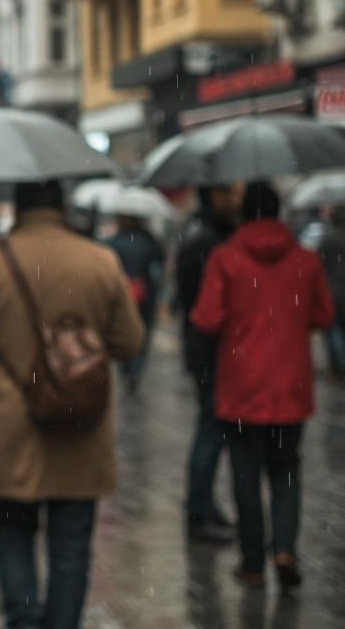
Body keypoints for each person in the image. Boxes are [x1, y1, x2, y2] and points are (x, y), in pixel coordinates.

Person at [0, 181, 144, 629]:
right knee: (71, 543)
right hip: (80, 425)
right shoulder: (100, 260)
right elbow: (130, 341)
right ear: (61, 207)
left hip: (10, 425)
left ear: (21, 209)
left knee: (13, 529)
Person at [189, 182, 332, 591]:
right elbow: (324, 315)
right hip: (291, 386)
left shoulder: (225, 258)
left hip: (241, 389)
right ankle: (284, 548)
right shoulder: (305, 261)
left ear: (243, 214)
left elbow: (206, 319)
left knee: (245, 474)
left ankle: (252, 562)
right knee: (287, 471)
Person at [175, 185, 241, 544]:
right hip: (211, 353)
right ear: (214, 196)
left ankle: (205, 506)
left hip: (215, 351)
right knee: (211, 431)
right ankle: (199, 510)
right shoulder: (204, 242)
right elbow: (197, 306)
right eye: (230, 192)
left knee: (214, 431)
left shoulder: (210, 237)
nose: (236, 199)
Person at [104, 214, 164, 393]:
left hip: (122, 293)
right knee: (142, 331)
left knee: (123, 329)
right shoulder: (148, 242)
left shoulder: (113, 242)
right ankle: (136, 369)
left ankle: (127, 368)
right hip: (145, 294)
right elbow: (158, 263)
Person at [314, 207, 345, 378]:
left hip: (332, 291)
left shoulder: (328, 240)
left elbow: (318, 264)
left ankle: (338, 366)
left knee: (334, 331)